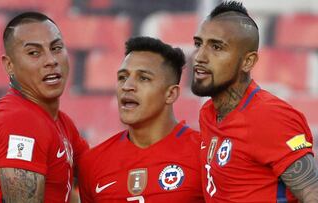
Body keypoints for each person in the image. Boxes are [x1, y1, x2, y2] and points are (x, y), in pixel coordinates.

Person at [191, 1, 318, 202]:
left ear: (248, 61)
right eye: (198, 44)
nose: (199, 56)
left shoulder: (271, 116)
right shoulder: (208, 113)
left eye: (216, 47)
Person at [0, 12, 89, 202]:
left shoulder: (62, 123)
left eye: (56, 48)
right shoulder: (20, 121)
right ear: (9, 65)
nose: (51, 60)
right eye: (34, 53)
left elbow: (100, 175)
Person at [78, 36, 204, 202]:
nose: (127, 86)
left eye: (143, 78)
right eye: (122, 77)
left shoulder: (204, 154)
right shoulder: (92, 162)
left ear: (171, 94)